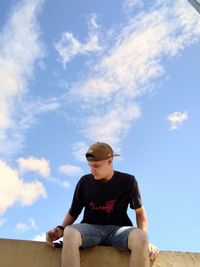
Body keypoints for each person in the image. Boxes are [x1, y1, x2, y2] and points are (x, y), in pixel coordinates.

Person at [46, 142, 159, 267]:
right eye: (90, 166)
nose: (92, 170)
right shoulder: (84, 182)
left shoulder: (128, 181)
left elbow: (139, 212)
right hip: (91, 229)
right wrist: (61, 229)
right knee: (70, 232)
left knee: (141, 236)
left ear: (109, 162)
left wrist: (145, 242)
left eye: (96, 166)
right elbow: (74, 211)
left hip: (119, 231)